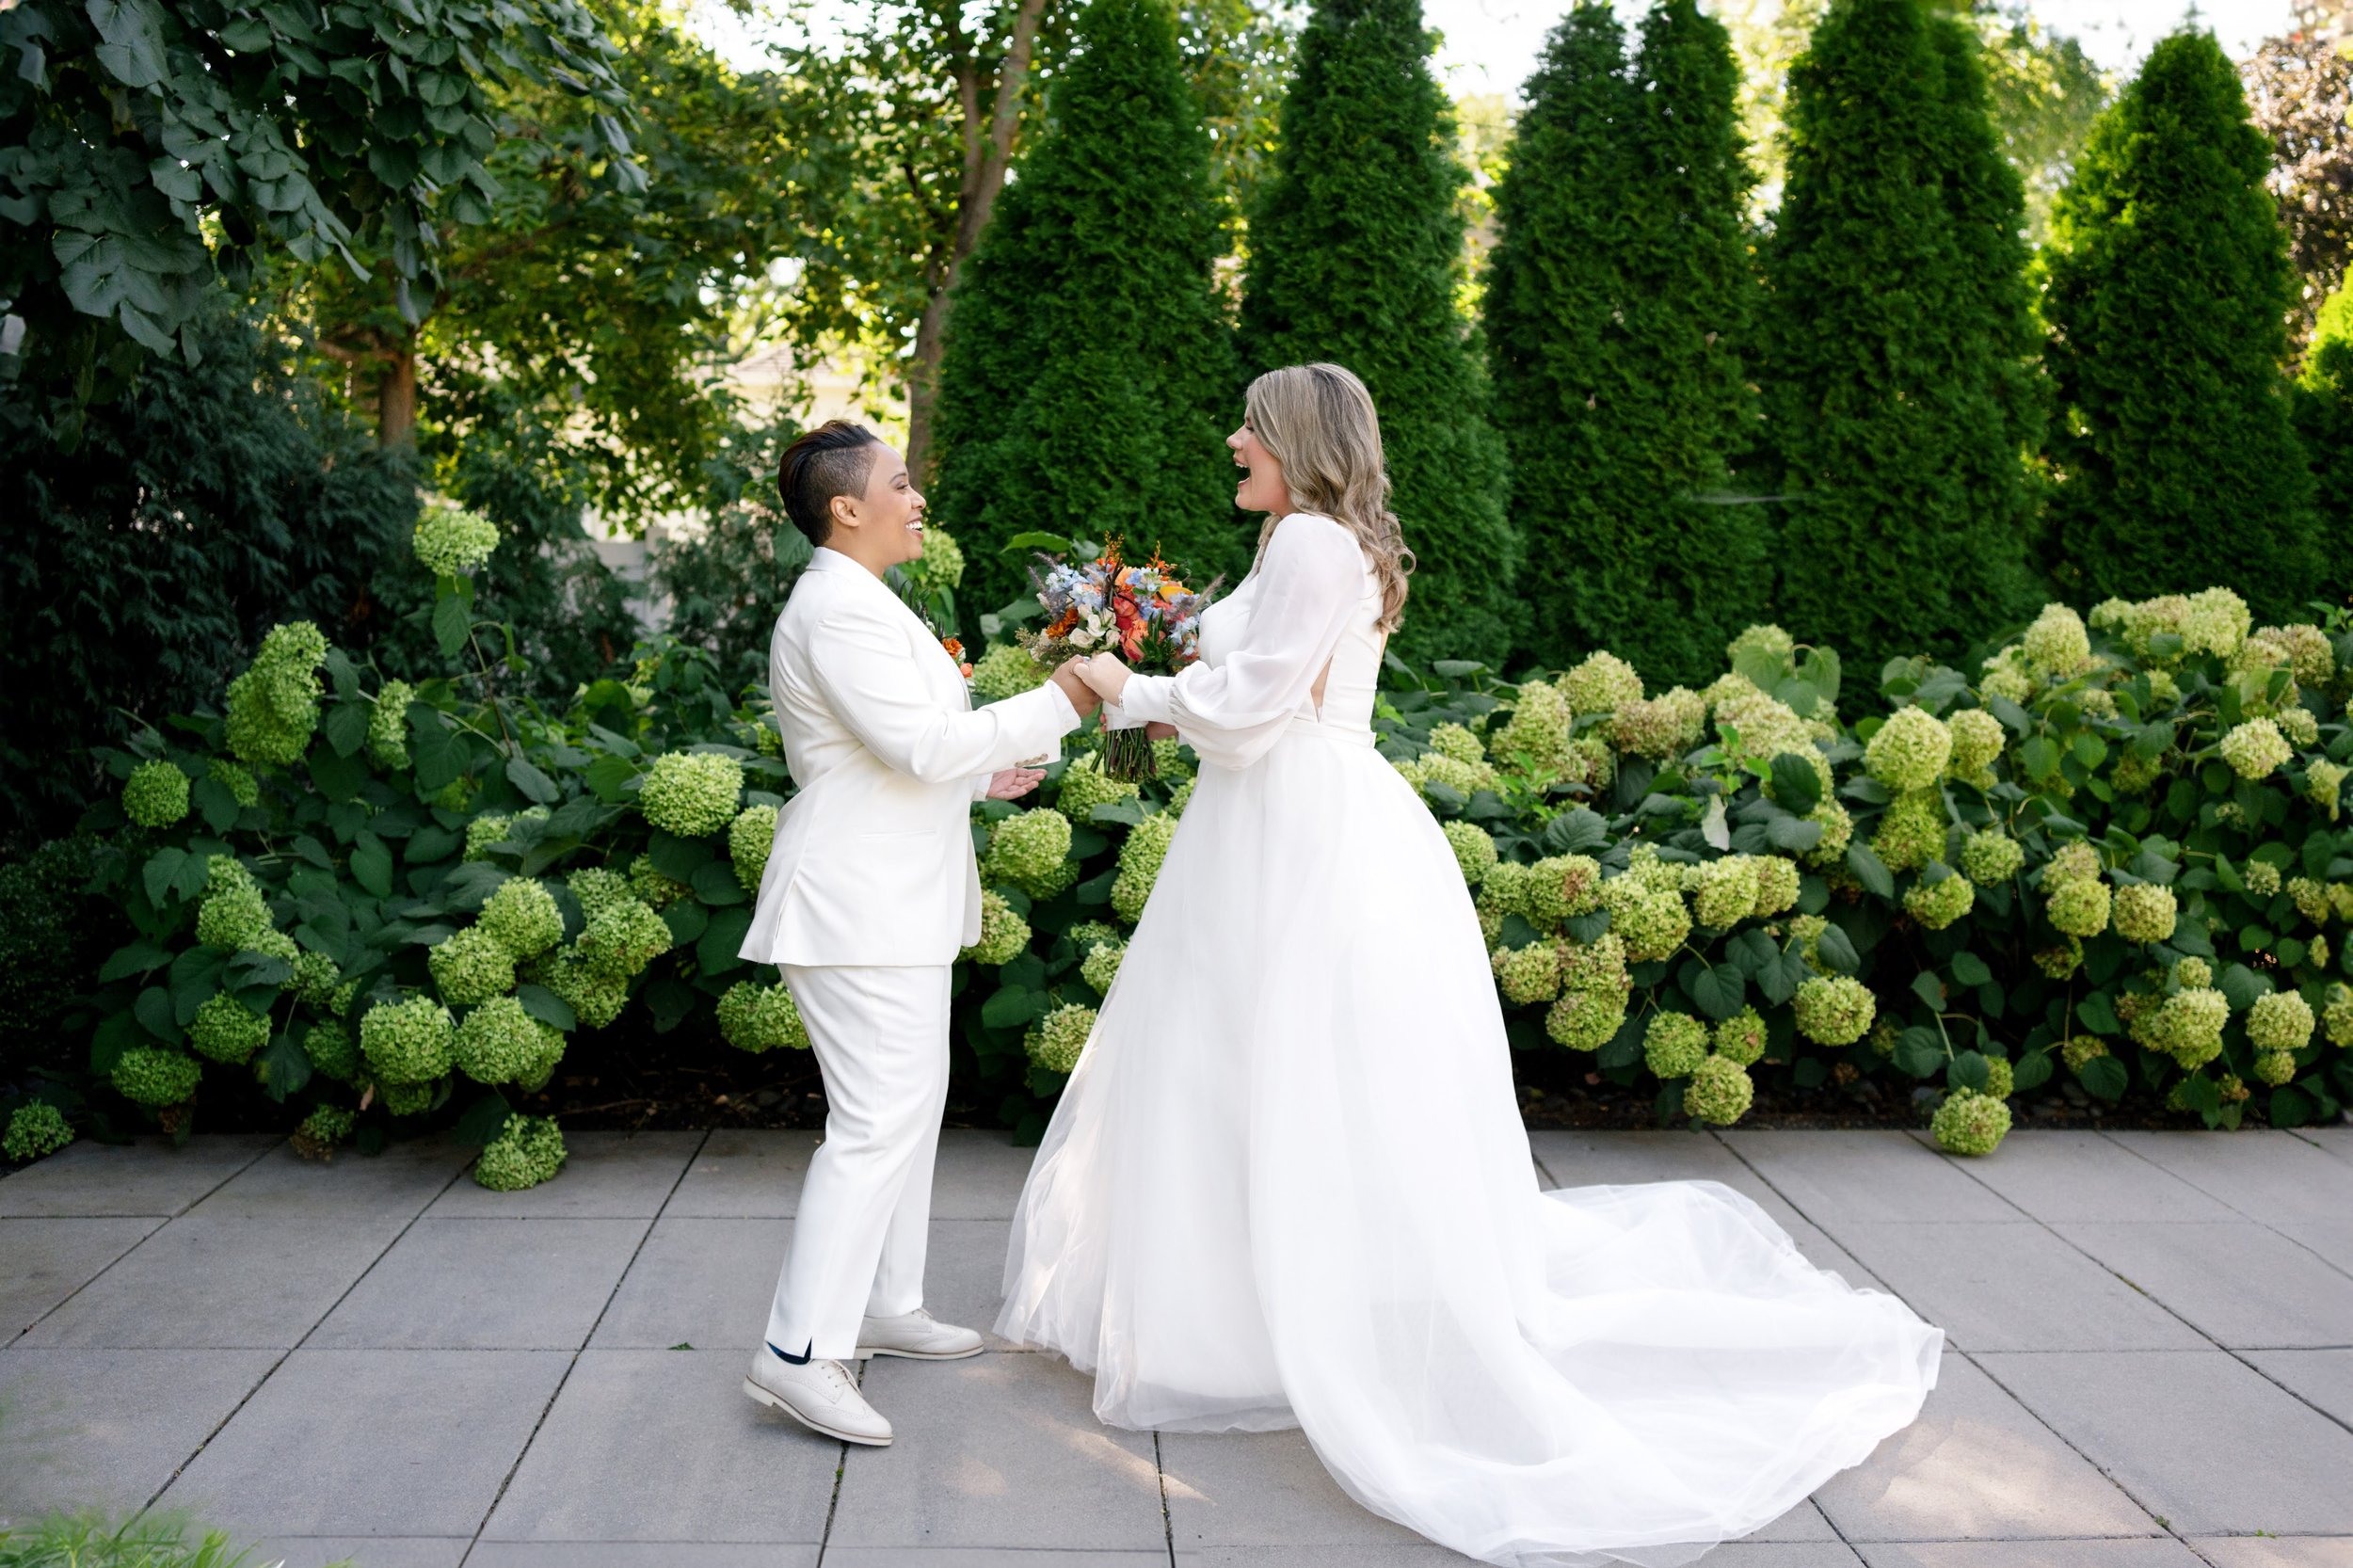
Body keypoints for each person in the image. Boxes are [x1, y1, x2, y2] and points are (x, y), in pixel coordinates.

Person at [998, 364, 1944, 1567]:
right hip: (1281, 822)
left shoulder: (1310, 546)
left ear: (1299, 440)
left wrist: (1112, 685)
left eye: (1251, 424)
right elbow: (1252, 686)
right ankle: (1245, 1304)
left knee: (1262, 1062)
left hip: (1296, 831)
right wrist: (1151, 666)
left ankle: (1252, 1319)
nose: (1233, 437)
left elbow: (1246, 710)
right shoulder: (1313, 541)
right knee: (1255, 1066)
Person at [739, 419, 1099, 1447]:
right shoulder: (838, 610)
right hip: (855, 904)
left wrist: (986, 769)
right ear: (846, 508)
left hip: (894, 896)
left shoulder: (862, 599)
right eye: (901, 483)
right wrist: (1063, 696)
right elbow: (917, 742)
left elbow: (904, 753)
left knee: (908, 1106)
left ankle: (885, 1305)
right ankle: (797, 1352)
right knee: (872, 1125)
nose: (918, 497)